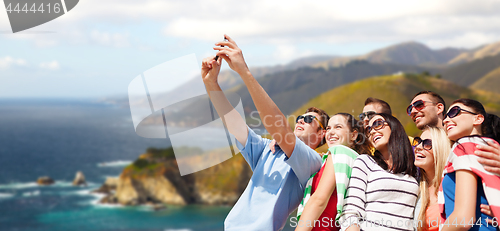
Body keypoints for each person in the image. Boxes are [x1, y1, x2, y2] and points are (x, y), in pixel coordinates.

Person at [201, 34, 328, 231]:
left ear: (321, 135)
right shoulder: (268, 150)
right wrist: (211, 83)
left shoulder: (312, 162)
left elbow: (279, 128)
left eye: (310, 119)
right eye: (301, 117)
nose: (302, 120)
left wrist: (244, 72)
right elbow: (235, 125)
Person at [340, 113, 419, 231]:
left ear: (394, 127)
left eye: (377, 124)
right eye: (368, 130)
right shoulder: (365, 162)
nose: (371, 131)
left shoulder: (413, 170)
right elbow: (351, 211)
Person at [295, 113, 371, 231]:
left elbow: (319, 199)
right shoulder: (357, 161)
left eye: (338, 127)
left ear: (353, 135)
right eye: (328, 128)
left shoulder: (338, 151)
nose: (330, 132)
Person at [439, 99, 500, 231]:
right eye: (445, 116)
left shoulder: (465, 145)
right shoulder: (490, 148)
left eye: (454, 112)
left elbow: (463, 219)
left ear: (478, 119)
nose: (446, 120)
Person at [412, 126, 451, 231]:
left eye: (427, 143)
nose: (418, 147)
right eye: (418, 141)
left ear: (441, 149)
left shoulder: (455, 185)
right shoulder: (417, 189)